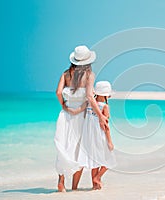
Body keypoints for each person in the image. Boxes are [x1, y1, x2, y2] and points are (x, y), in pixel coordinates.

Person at [54, 45, 108, 192]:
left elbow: (58, 92)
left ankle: (61, 182)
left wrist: (64, 106)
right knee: (79, 150)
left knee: (63, 147)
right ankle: (74, 189)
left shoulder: (65, 74)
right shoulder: (89, 75)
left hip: (65, 115)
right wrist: (101, 116)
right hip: (81, 116)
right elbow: (90, 97)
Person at [78, 81, 117, 190]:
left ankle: (95, 186)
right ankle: (98, 178)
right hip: (100, 136)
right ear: (107, 94)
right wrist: (109, 141)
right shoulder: (104, 107)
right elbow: (106, 126)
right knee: (109, 161)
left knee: (94, 161)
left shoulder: (90, 104)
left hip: (89, 137)